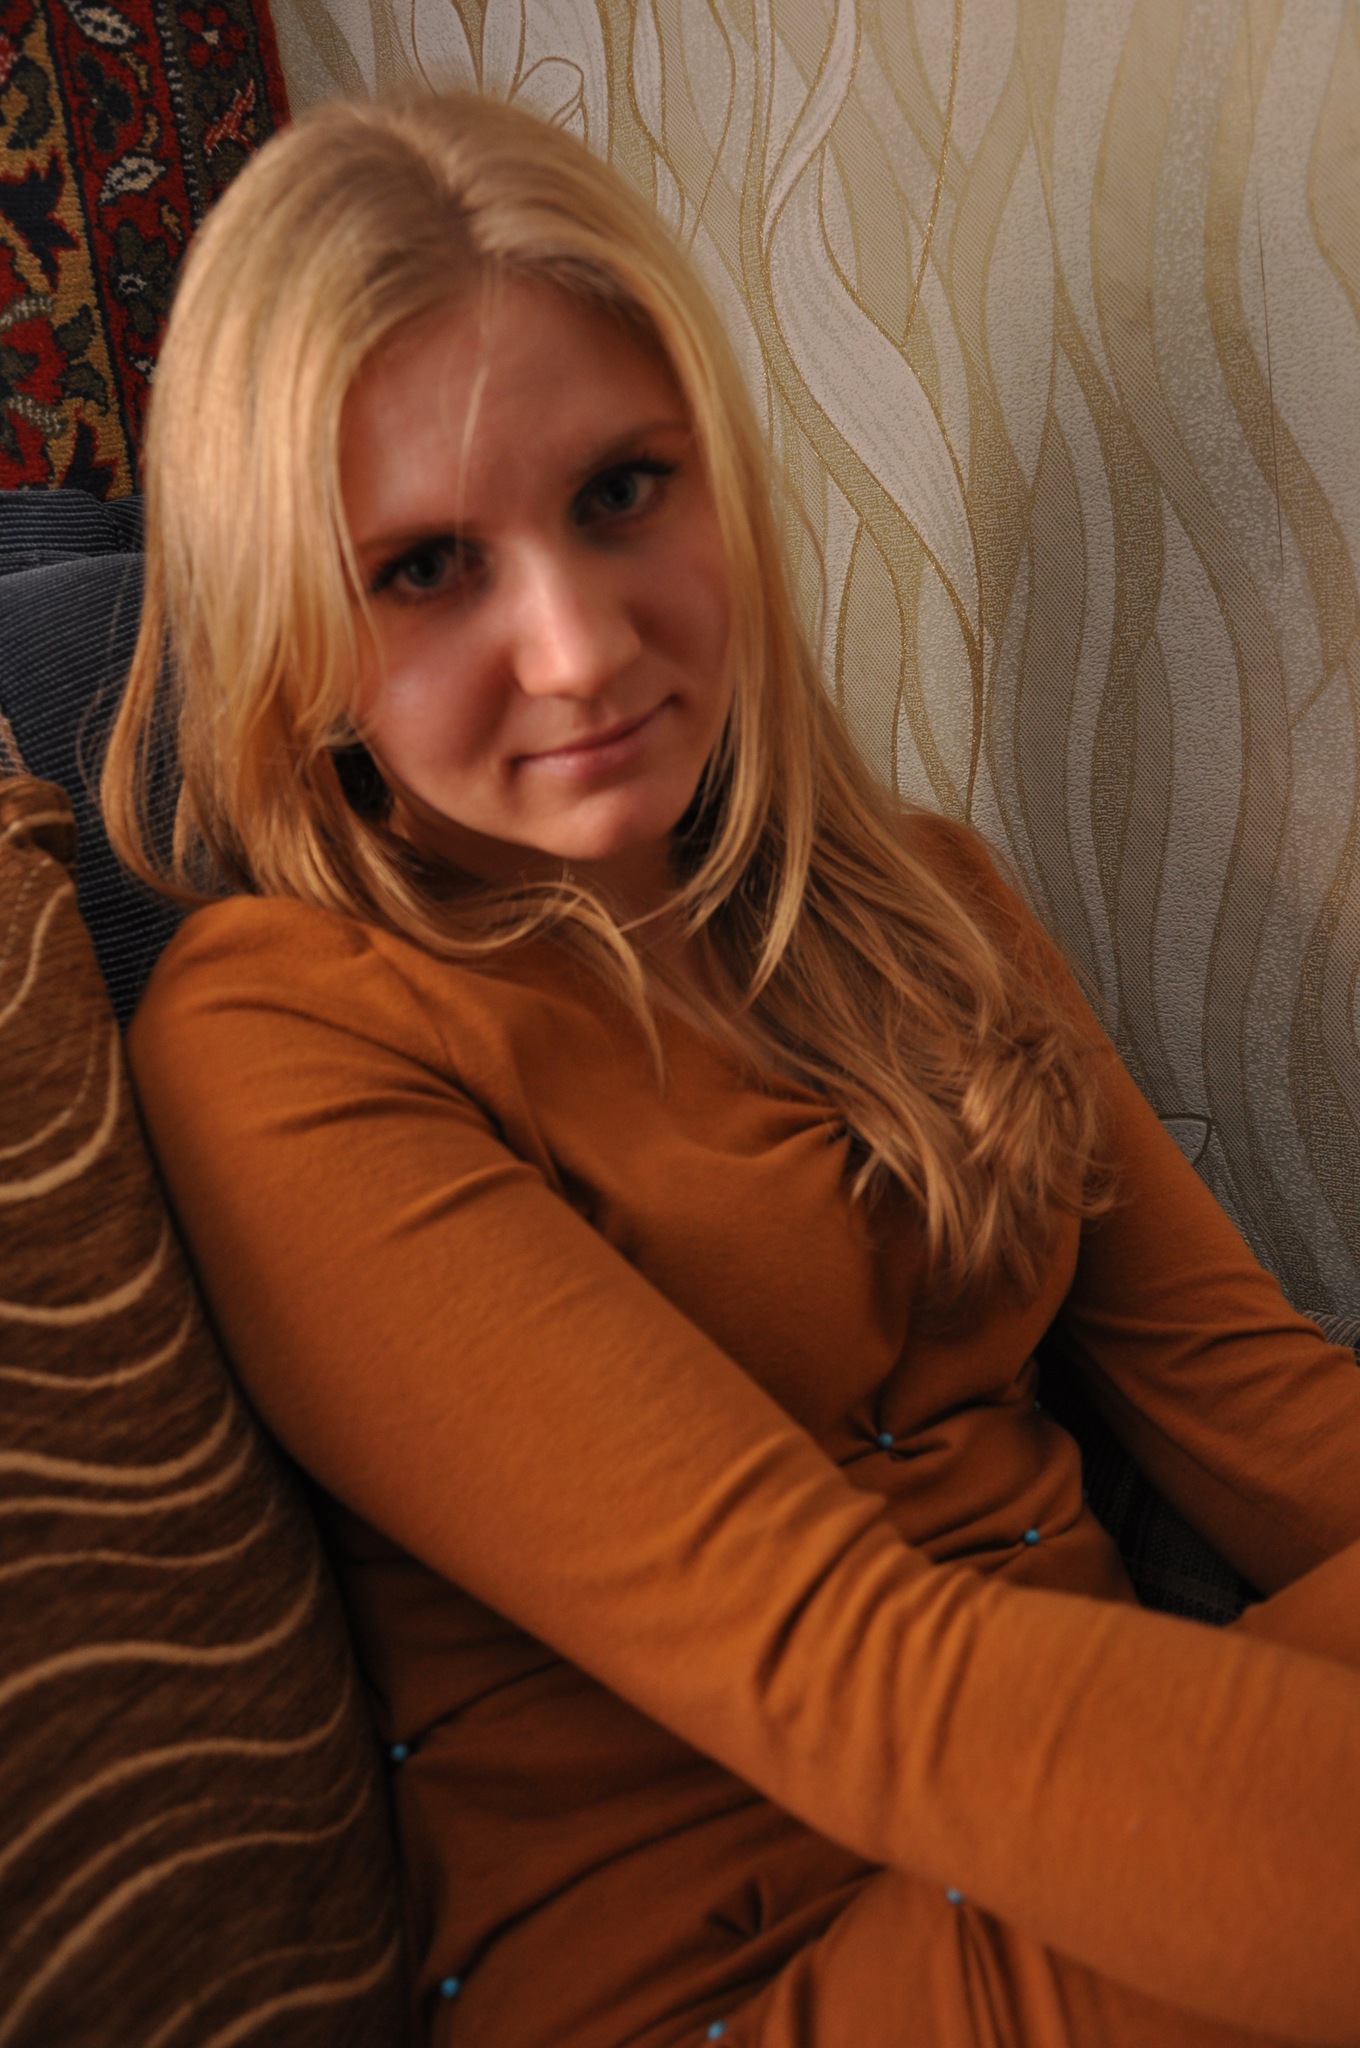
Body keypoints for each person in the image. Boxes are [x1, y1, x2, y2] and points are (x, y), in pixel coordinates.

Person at [104, 86, 1360, 2048]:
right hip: (736, 1974)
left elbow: (1261, 1410)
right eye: (424, 568)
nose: (580, 648)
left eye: (621, 491)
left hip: (1100, 1829)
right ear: (289, 628)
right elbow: (839, 1667)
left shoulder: (928, 901)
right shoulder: (283, 1029)